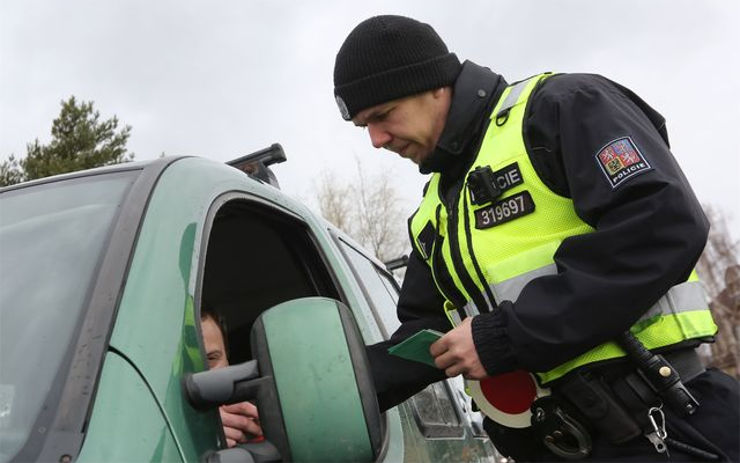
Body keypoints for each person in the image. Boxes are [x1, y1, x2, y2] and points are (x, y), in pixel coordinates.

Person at [333, 15, 740, 462]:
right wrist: (310, 396)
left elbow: (661, 225)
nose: (375, 140)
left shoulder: (562, 107)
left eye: (382, 115)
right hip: (551, 445)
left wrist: (505, 337)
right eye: (363, 127)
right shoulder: (435, 210)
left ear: (433, 84)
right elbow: (426, 338)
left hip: (658, 429)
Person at [201, 310, 263, 448]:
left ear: (228, 361)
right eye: (185, 364)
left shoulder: (262, 418)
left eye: (211, 359)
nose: (199, 376)